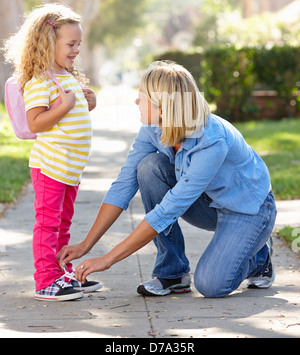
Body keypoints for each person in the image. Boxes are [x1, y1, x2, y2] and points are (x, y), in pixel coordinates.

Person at [58, 61, 277, 298]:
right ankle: (173, 273)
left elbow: (166, 212)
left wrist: (108, 259)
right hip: (209, 203)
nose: (136, 102)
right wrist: (86, 244)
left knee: (211, 285)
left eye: (141, 96)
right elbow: (123, 185)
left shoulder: (211, 141)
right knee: (148, 168)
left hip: (249, 210)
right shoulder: (153, 128)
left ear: (162, 107)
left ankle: (259, 258)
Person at [3, 3, 102, 301]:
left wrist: (88, 102)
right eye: (71, 44)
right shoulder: (39, 81)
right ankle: (46, 279)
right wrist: (65, 106)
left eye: (79, 44)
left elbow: (73, 115)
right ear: (49, 42)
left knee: (63, 223)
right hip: (50, 166)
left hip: (70, 169)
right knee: (48, 222)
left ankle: (62, 273)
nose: (76, 50)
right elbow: (36, 122)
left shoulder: (67, 77)